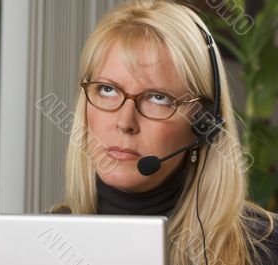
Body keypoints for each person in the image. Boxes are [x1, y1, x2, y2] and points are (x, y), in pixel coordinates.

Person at [47, 1, 278, 264]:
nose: (125, 122)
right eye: (107, 89)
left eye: (158, 98)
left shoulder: (266, 250)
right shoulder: (40, 241)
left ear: (204, 125)